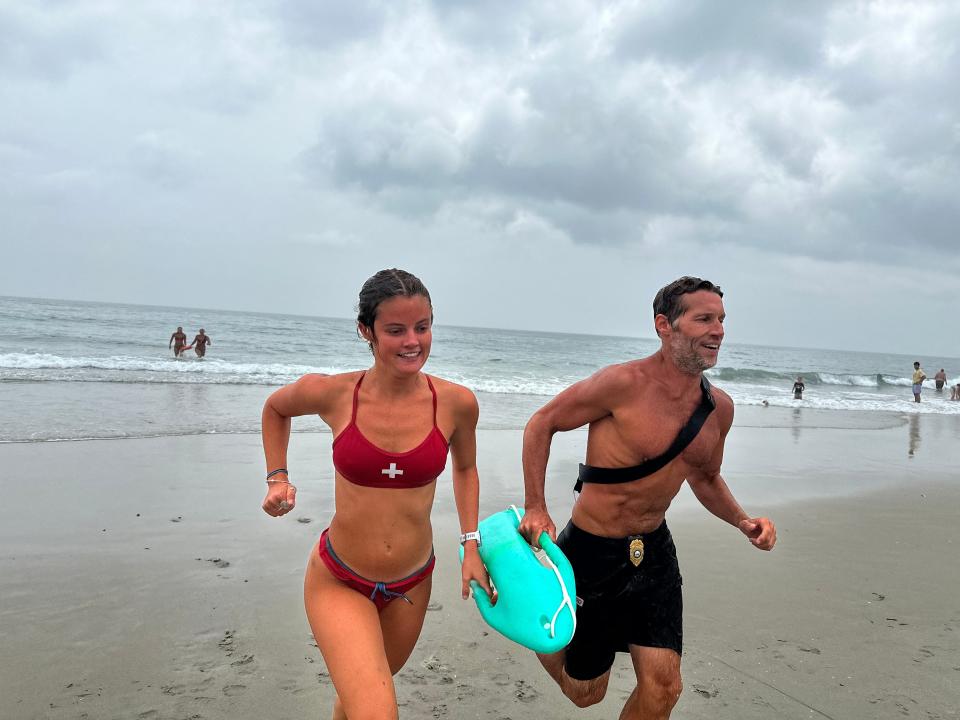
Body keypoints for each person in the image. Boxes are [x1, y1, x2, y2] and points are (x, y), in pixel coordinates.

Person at [519, 276, 776, 719]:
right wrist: (536, 506)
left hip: (653, 553)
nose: (718, 330)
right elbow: (542, 424)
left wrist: (742, 521)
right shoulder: (621, 385)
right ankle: (535, 617)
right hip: (591, 551)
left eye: (721, 320)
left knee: (664, 688)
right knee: (586, 693)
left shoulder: (719, 409)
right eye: (704, 319)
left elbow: (707, 477)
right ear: (664, 325)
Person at [260, 269, 491, 720]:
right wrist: (276, 478)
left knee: (359, 698)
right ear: (366, 330)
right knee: (377, 710)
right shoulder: (332, 393)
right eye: (395, 330)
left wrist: (470, 545)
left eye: (422, 327)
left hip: (411, 584)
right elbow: (275, 408)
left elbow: (465, 468)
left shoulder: (457, 403)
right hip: (340, 578)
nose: (413, 341)